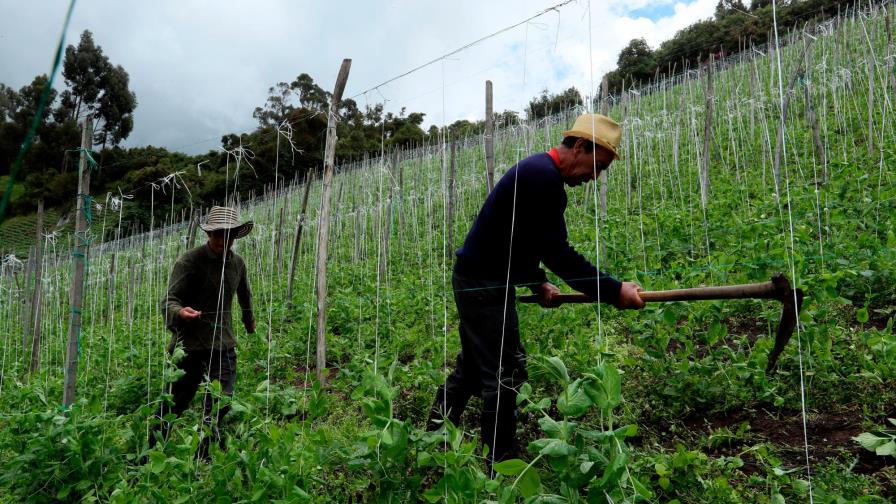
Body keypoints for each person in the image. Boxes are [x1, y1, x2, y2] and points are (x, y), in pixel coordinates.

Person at [428, 113, 645, 465]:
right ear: (578, 146)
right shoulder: (542, 178)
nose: (595, 176)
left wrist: (536, 281)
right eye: (598, 165)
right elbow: (559, 253)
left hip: (480, 279)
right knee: (505, 373)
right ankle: (500, 466)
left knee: (472, 369)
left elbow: (519, 241)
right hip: (484, 284)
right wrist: (614, 290)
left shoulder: (537, 172)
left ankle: (433, 437)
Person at [147, 205, 256, 462]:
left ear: (235, 235)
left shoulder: (237, 263)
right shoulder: (190, 261)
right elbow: (169, 299)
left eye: (227, 234)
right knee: (175, 402)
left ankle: (203, 454)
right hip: (191, 346)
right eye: (217, 234)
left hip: (223, 344)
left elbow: (245, 295)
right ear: (208, 234)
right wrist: (180, 312)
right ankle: (150, 454)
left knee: (221, 402)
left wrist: (248, 319)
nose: (222, 240)